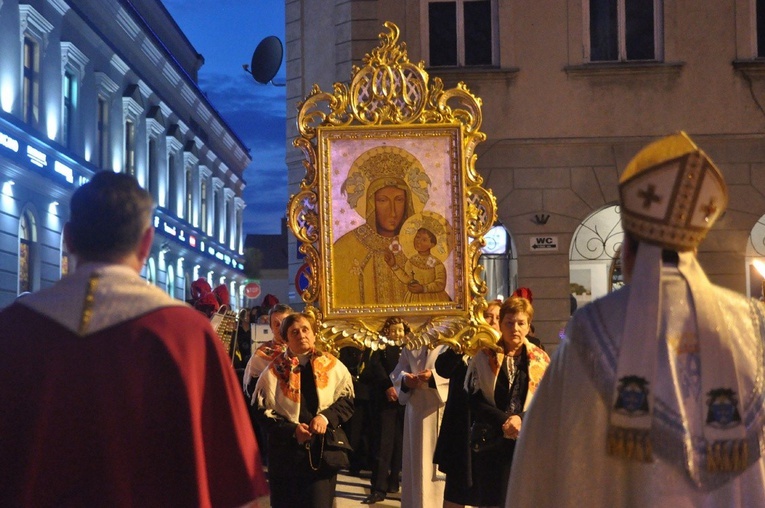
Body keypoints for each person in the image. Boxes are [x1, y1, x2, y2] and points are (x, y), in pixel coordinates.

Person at [507, 132, 765, 507]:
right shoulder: (755, 328)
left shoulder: (590, 332)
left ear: (628, 249)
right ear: (694, 245)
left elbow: (541, 471)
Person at [0, 172, 268, 507]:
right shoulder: (188, 336)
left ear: (68, 238)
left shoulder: (13, 330)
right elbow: (234, 477)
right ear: (146, 242)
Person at [254, 311, 354, 508]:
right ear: (286, 339)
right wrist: (292, 430)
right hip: (286, 456)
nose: (301, 335)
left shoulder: (332, 366)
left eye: (305, 329)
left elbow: (347, 401)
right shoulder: (273, 372)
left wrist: (325, 418)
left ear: (314, 334)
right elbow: (261, 412)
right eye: (294, 332)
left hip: (322, 453)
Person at [464, 296, 550, 507]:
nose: (515, 328)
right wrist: (505, 421)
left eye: (521, 323)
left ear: (529, 326)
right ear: (500, 325)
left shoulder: (540, 358)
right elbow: (474, 400)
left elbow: (547, 401)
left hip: (527, 442)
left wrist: (520, 420)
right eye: (509, 323)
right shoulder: (483, 356)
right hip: (491, 442)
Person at [333, 146, 432, 306]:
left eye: (399, 200)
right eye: (383, 200)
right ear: (371, 204)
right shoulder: (344, 249)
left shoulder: (421, 245)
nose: (392, 211)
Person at [391, 325, 450, 507]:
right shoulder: (413, 340)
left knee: (439, 474)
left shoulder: (452, 336)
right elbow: (399, 370)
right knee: (416, 471)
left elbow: (464, 372)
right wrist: (406, 380)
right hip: (416, 411)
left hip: (441, 409)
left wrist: (435, 378)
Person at [359, 317, 407, 504]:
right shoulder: (380, 346)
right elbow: (375, 367)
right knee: (383, 445)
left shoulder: (409, 347)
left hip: (404, 399)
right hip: (385, 401)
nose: (397, 334)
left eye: (400, 330)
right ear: (387, 331)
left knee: (400, 444)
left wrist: (402, 388)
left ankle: (394, 481)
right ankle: (378, 488)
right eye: (394, 330)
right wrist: (388, 386)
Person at [386, 212, 452, 304]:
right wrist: (393, 266)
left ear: (432, 244)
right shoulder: (412, 261)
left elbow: (440, 284)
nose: (418, 241)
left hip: (434, 300)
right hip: (414, 299)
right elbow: (407, 279)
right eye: (417, 237)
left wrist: (423, 288)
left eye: (424, 240)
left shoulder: (436, 263)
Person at [243, 302, 293, 401]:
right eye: (276, 324)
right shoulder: (261, 355)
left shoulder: (300, 350)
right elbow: (252, 391)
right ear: (271, 327)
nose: (281, 328)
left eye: (284, 323)